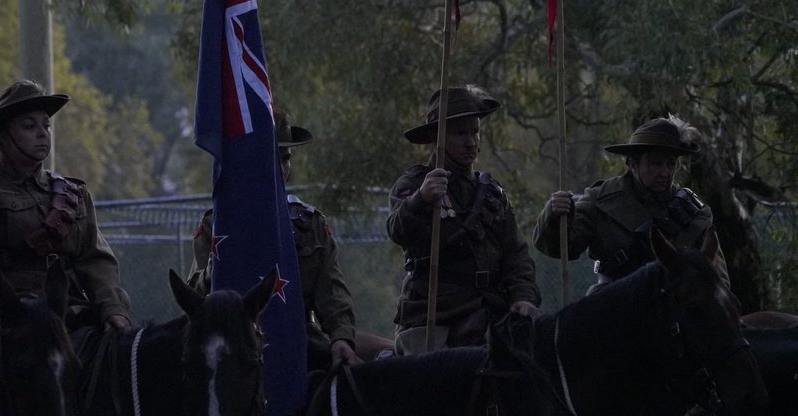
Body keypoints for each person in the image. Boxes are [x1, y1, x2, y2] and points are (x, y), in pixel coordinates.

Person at [0, 79, 132, 333]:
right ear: (2, 138)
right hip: (1, 312)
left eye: (46, 125)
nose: (42, 133)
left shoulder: (73, 193)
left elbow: (95, 261)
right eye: (28, 126)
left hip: (66, 311)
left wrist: (113, 310)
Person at [189, 110, 362, 368]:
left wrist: (341, 338)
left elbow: (333, 293)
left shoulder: (311, 225)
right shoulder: (219, 224)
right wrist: (215, 270)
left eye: (285, 158)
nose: (280, 168)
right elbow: (193, 297)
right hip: (233, 350)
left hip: (298, 343)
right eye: (271, 158)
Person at [387, 86, 540, 355]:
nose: (471, 142)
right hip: (435, 314)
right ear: (437, 138)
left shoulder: (493, 193)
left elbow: (516, 254)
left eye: (475, 131)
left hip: (491, 309)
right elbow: (397, 231)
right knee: (433, 385)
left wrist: (523, 296)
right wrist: (421, 200)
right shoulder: (414, 184)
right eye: (460, 133)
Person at [533, 114, 730, 295]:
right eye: (656, 163)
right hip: (614, 305)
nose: (665, 172)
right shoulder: (600, 201)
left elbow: (717, 277)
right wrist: (556, 215)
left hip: (674, 310)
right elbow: (562, 248)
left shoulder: (693, 213)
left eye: (671, 164)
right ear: (633, 164)